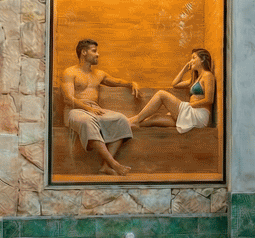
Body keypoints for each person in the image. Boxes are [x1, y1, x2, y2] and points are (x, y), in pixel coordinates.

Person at [62, 39, 140, 176]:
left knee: (121, 119)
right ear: (84, 52)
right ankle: (114, 164)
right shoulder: (70, 72)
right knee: (87, 121)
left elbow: (116, 81)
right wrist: (89, 109)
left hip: (94, 109)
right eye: (94, 51)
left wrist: (131, 83)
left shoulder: (99, 74)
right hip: (75, 111)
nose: (98, 54)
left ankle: (105, 166)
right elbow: (68, 99)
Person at [128, 49, 215, 131]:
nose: (190, 61)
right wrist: (185, 69)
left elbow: (209, 100)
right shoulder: (195, 79)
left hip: (198, 115)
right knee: (155, 118)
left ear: (202, 59)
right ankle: (131, 124)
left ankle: (136, 119)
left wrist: (191, 105)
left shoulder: (207, 75)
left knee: (161, 94)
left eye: (193, 58)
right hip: (191, 113)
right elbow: (175, 84)